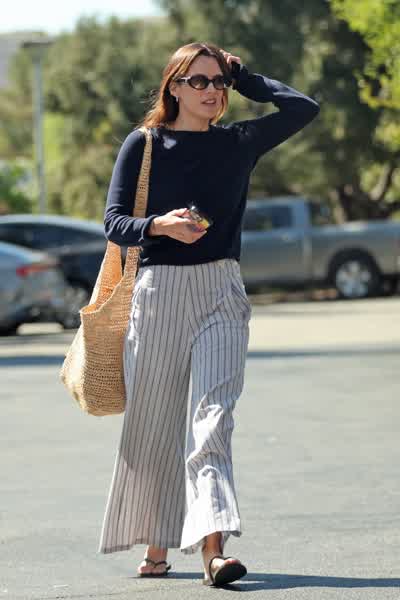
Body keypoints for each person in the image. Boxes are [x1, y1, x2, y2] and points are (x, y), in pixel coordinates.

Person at [97, 41, 320, 587]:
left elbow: (302, 108)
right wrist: (159, 225)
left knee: (213, 418)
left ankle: (214, 552)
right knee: (154, 424)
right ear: (173, 87)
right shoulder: (145, 143)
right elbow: (114, 221)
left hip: (221, 290)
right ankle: (156, 545)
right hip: (159, 293)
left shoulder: (239, 142)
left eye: (218, 81)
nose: (211, 90)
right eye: (198, 81)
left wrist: (244, 75)